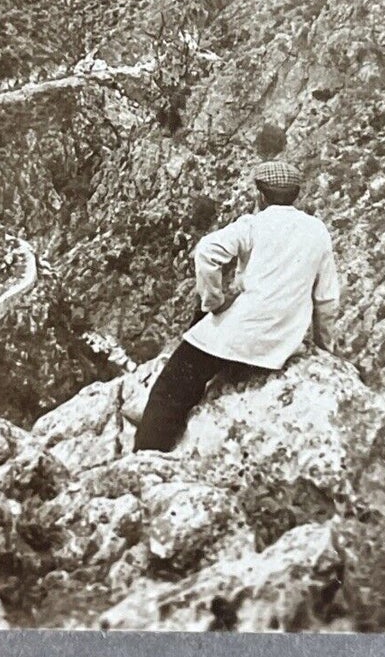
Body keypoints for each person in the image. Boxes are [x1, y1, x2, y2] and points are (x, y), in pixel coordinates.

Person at [134, 160, 341, 452]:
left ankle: (147, 453)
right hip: (281, 345)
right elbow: (327, 300)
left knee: (172, 385)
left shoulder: (253, 224)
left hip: (240, 337)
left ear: (260, 196)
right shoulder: (318, 231)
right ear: (297, 196)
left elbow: (206, 252)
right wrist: (324, 349)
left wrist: (214, 302)